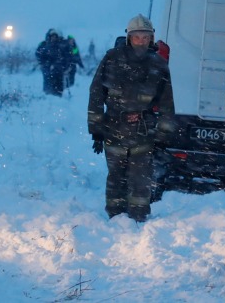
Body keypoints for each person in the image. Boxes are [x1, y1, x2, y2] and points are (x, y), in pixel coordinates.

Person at [87, 14, 175, 222]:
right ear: (129, 37)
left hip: (143, 130)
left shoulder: (158, 64)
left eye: (146, 37)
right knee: (116, 175)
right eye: (137, 37)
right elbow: (96, 93)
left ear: (152, 38)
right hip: (114, 127)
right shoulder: (112, 58)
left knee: (140, 177)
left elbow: (167, 101)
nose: (142, 41)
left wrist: (164, 133)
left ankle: (138, 216)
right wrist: (96, 129)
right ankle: (115, 216)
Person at [36, 29, 69, 96]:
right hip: (47, 69)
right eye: (52, 36)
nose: (53, 38)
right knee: (48, 81)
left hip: (59, 69)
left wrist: (65, 66)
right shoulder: (44, 45)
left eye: (55, 36)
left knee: (59, 82)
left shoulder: (60, 46)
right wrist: (45, 63)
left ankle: (58, 94)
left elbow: (65, 57)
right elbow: (39, 54)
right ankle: (48, 94)